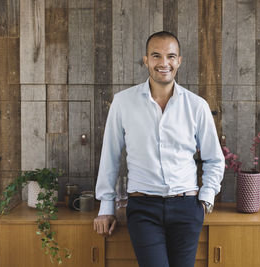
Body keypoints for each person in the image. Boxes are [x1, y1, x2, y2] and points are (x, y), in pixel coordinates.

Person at [93, 31, 225, 267]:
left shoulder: (197, 106)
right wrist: (106, 206)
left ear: (179, 61)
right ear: (146, 60)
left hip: (187, 207)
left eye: (171, 56)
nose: (164, 63)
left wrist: (205, 199)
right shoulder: (123, 102)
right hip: (143, 209)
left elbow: (214, 159)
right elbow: (110, 157)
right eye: (156, 56)